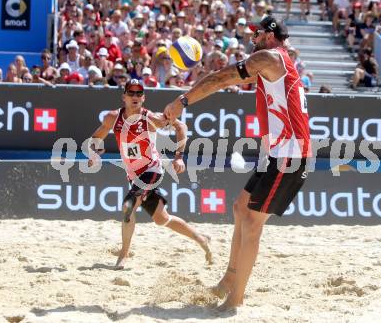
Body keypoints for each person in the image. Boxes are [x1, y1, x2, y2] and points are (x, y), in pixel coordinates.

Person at [164, 16, 311, 312]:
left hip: (290, 155)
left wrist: (182, 101)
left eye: (255, 34)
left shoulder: (269, 57)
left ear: (269, 36)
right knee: (240, 208)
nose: (251, 39)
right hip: (277, 154)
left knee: (253, 224)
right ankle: (229, 280)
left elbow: (220, 78)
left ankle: (236, 299)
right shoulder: (276, 60)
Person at [88, 79, 212, 270]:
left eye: (139, 94)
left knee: (128, 206)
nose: (135, 97)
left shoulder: (151, 119)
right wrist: (94, 153)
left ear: (144, 98)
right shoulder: (113, 118)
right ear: (124, 96)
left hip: (151, 171)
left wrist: (179, 157)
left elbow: (181, 128)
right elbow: (96, 138)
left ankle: (123, 255)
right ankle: (200, 238)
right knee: (162, 219)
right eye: (131, 93)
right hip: (133, 176)